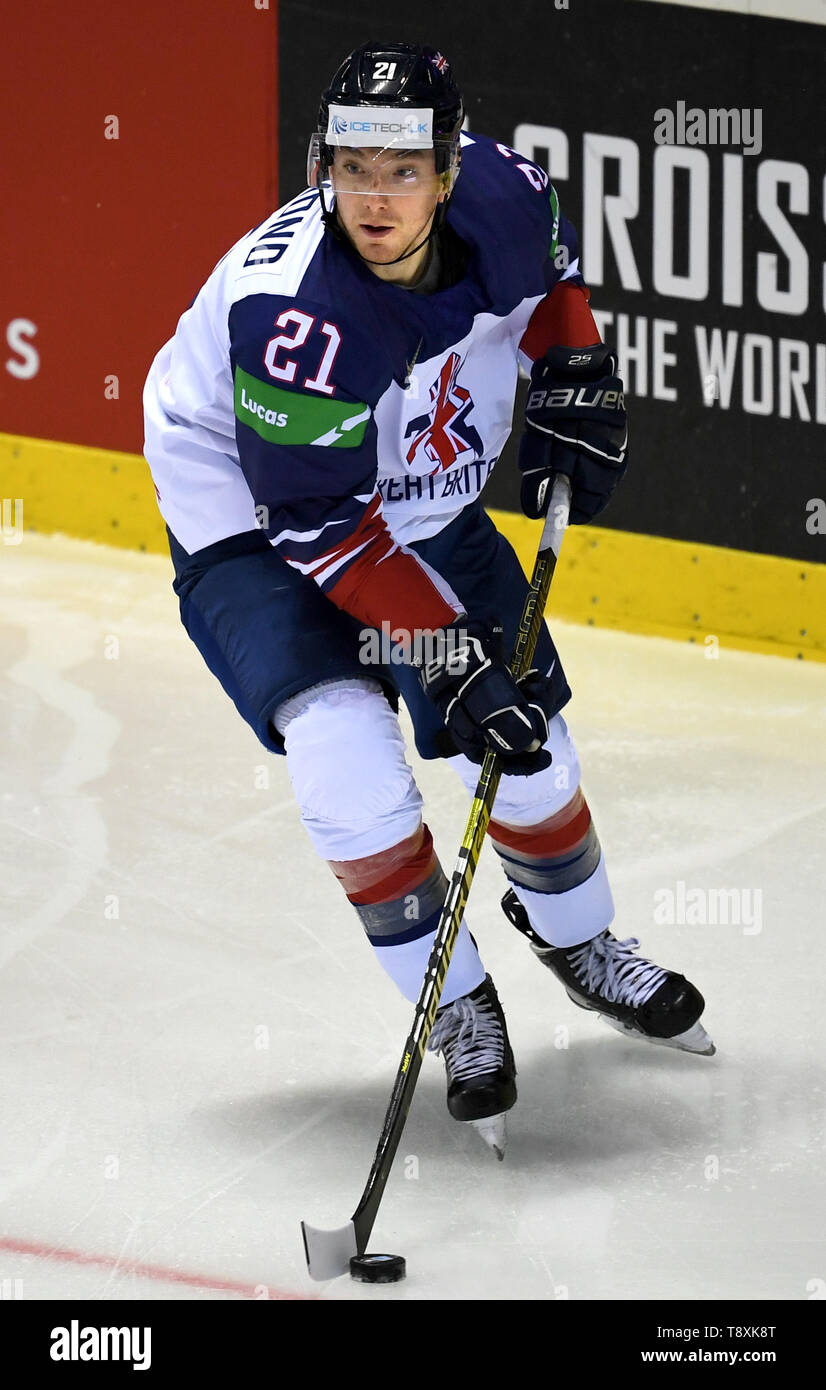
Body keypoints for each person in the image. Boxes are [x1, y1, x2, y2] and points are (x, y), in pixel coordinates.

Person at [143, 41, 713, 1158]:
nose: (375, 197)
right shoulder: (294, 318)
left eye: (402, 172)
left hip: (410, 489)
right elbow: (313, 520)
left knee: (529, 745)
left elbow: (550, 287)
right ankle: (452, 1000)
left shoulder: (506, 192)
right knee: (346, 761)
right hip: (256, 515)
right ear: (324, 167)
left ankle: (580, 947)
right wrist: (444, 652)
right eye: (352, 167)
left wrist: (575, 370)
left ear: (449, 171)